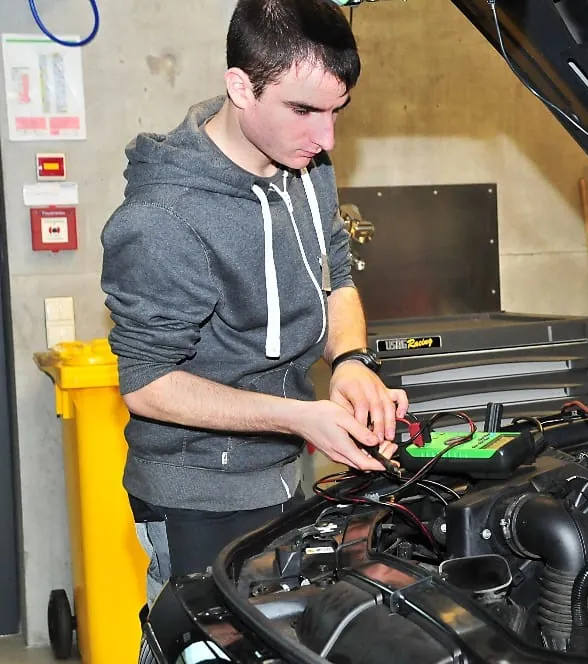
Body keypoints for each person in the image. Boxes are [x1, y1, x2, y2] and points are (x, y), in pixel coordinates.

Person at [99, 0, 406, 608]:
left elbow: (335, 276)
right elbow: (147, 383)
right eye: (304, 110)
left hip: (284, 474)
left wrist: (350, 361)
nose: (326, 138)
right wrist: (298, 416)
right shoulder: (162, 219)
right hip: (196, 497)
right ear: (240, 86)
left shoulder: (306, 165)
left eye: (337, 111)